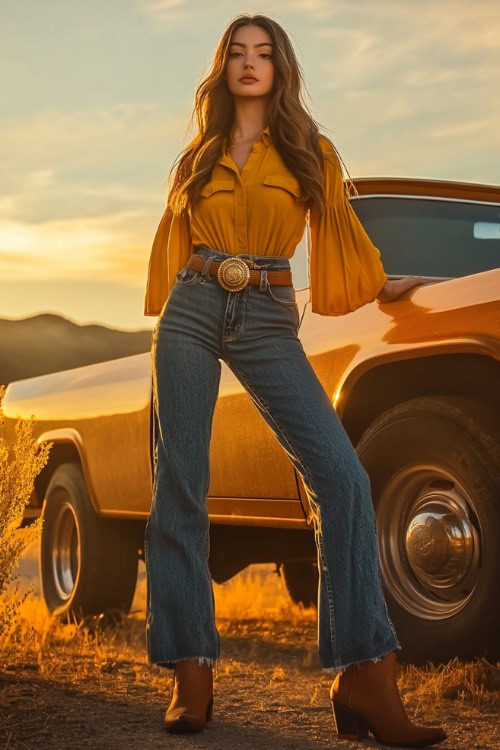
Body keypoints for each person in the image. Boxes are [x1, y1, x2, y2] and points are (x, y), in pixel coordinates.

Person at [143, 13, 447, 746]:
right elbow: (175, 245)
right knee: (180, 485)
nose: (251, 64)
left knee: (341, 478)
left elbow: (340, 232)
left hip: (269, 314)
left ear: (281, 68)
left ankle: (365, 673)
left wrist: (383, 285)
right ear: (224, 68)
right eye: (238, 54)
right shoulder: (198, 157)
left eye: (265, 53)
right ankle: (191, 668)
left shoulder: (311, 150)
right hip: (191, 306)